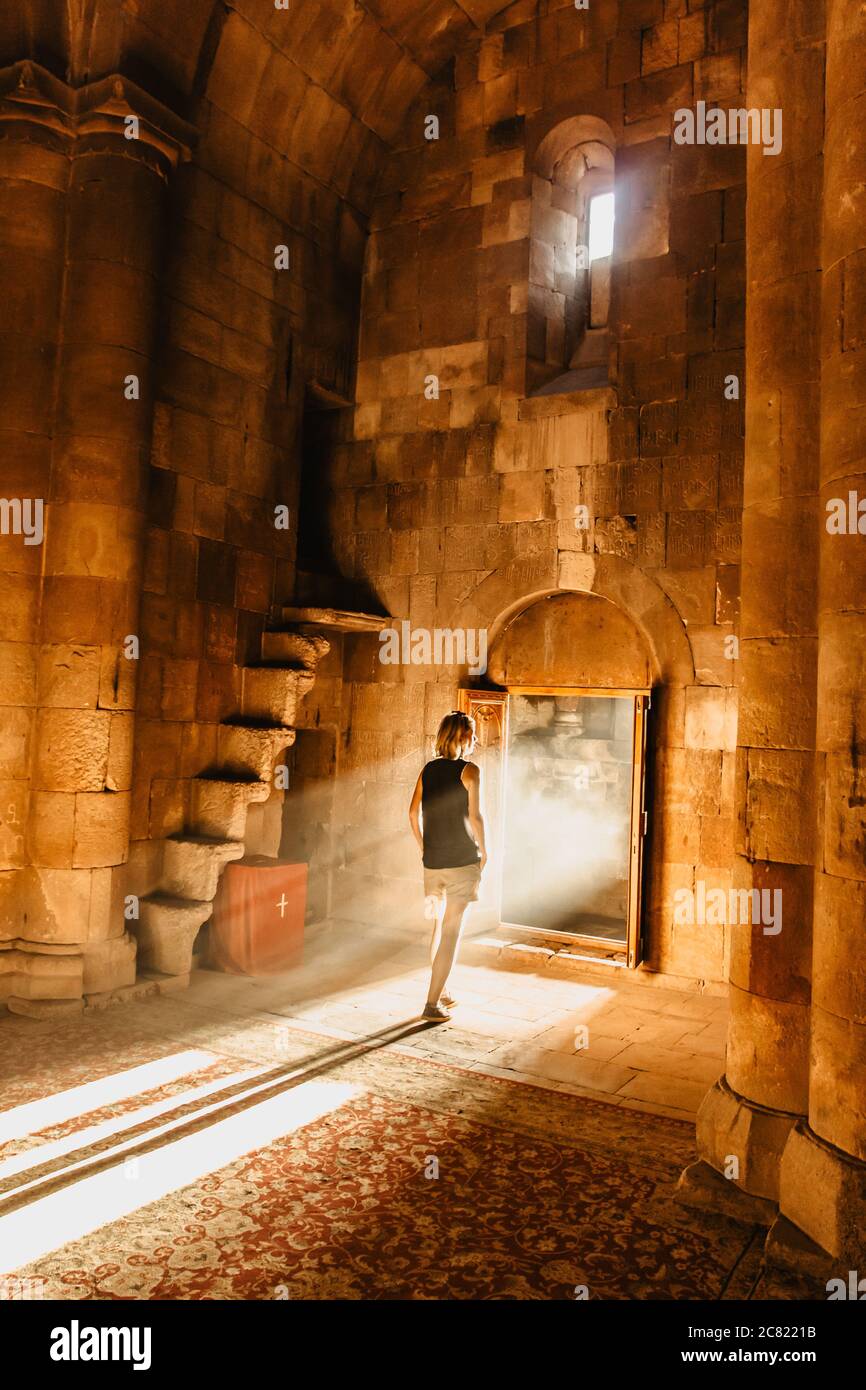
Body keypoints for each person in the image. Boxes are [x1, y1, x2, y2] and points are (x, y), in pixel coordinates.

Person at [408, 710, 487, 1021]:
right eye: (473, 733)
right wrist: (486, 851)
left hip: (433, 862)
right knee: (452, 932)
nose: (475, 739)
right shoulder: (470, 771)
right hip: (460, 861)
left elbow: (412, 814)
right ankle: (431, 1004)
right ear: (464, 736)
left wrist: (424, 846)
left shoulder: (428, 770)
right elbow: (476, 817)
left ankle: (440, 991)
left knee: (438, 928)